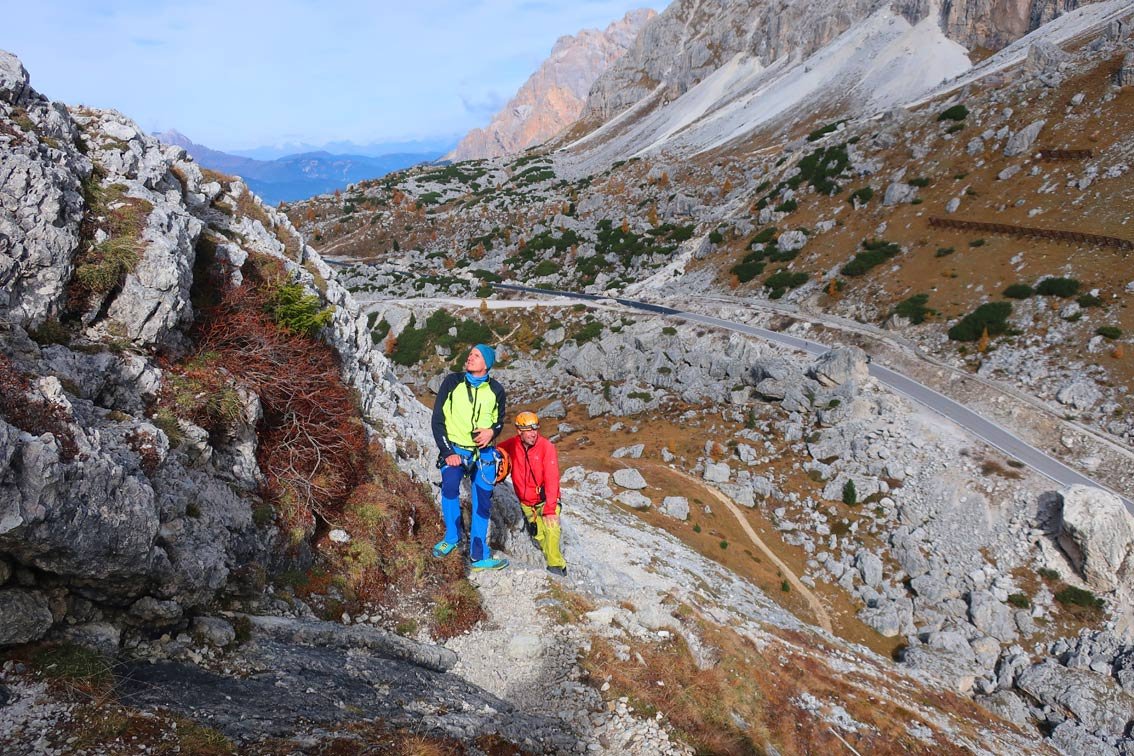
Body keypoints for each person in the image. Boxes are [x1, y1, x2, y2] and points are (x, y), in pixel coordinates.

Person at [431, 344, 509, 571]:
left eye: (476, 355)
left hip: (484, 455)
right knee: (450, 486)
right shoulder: (452, 382)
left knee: (482, 503)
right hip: (455, 449)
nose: (470, 357)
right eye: (470, 354)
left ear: (487, 363)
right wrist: (448, 452)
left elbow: (499, 421)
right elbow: (437, 420)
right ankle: (452, 537)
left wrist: (492, 432)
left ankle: (479, 555)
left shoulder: (496, 390)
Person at [497, 411, 566, 576]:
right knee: (539, 536)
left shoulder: (546, 447)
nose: (533, 433)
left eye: (535, 429)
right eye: (528, 430)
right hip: (526, 504)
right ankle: (553, 559)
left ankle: (557, 567)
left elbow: (552, 478)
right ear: (519, 431)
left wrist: (550, 509)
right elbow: (497, 450)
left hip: (545, 500)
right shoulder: (513, 444)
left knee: (552, 530)